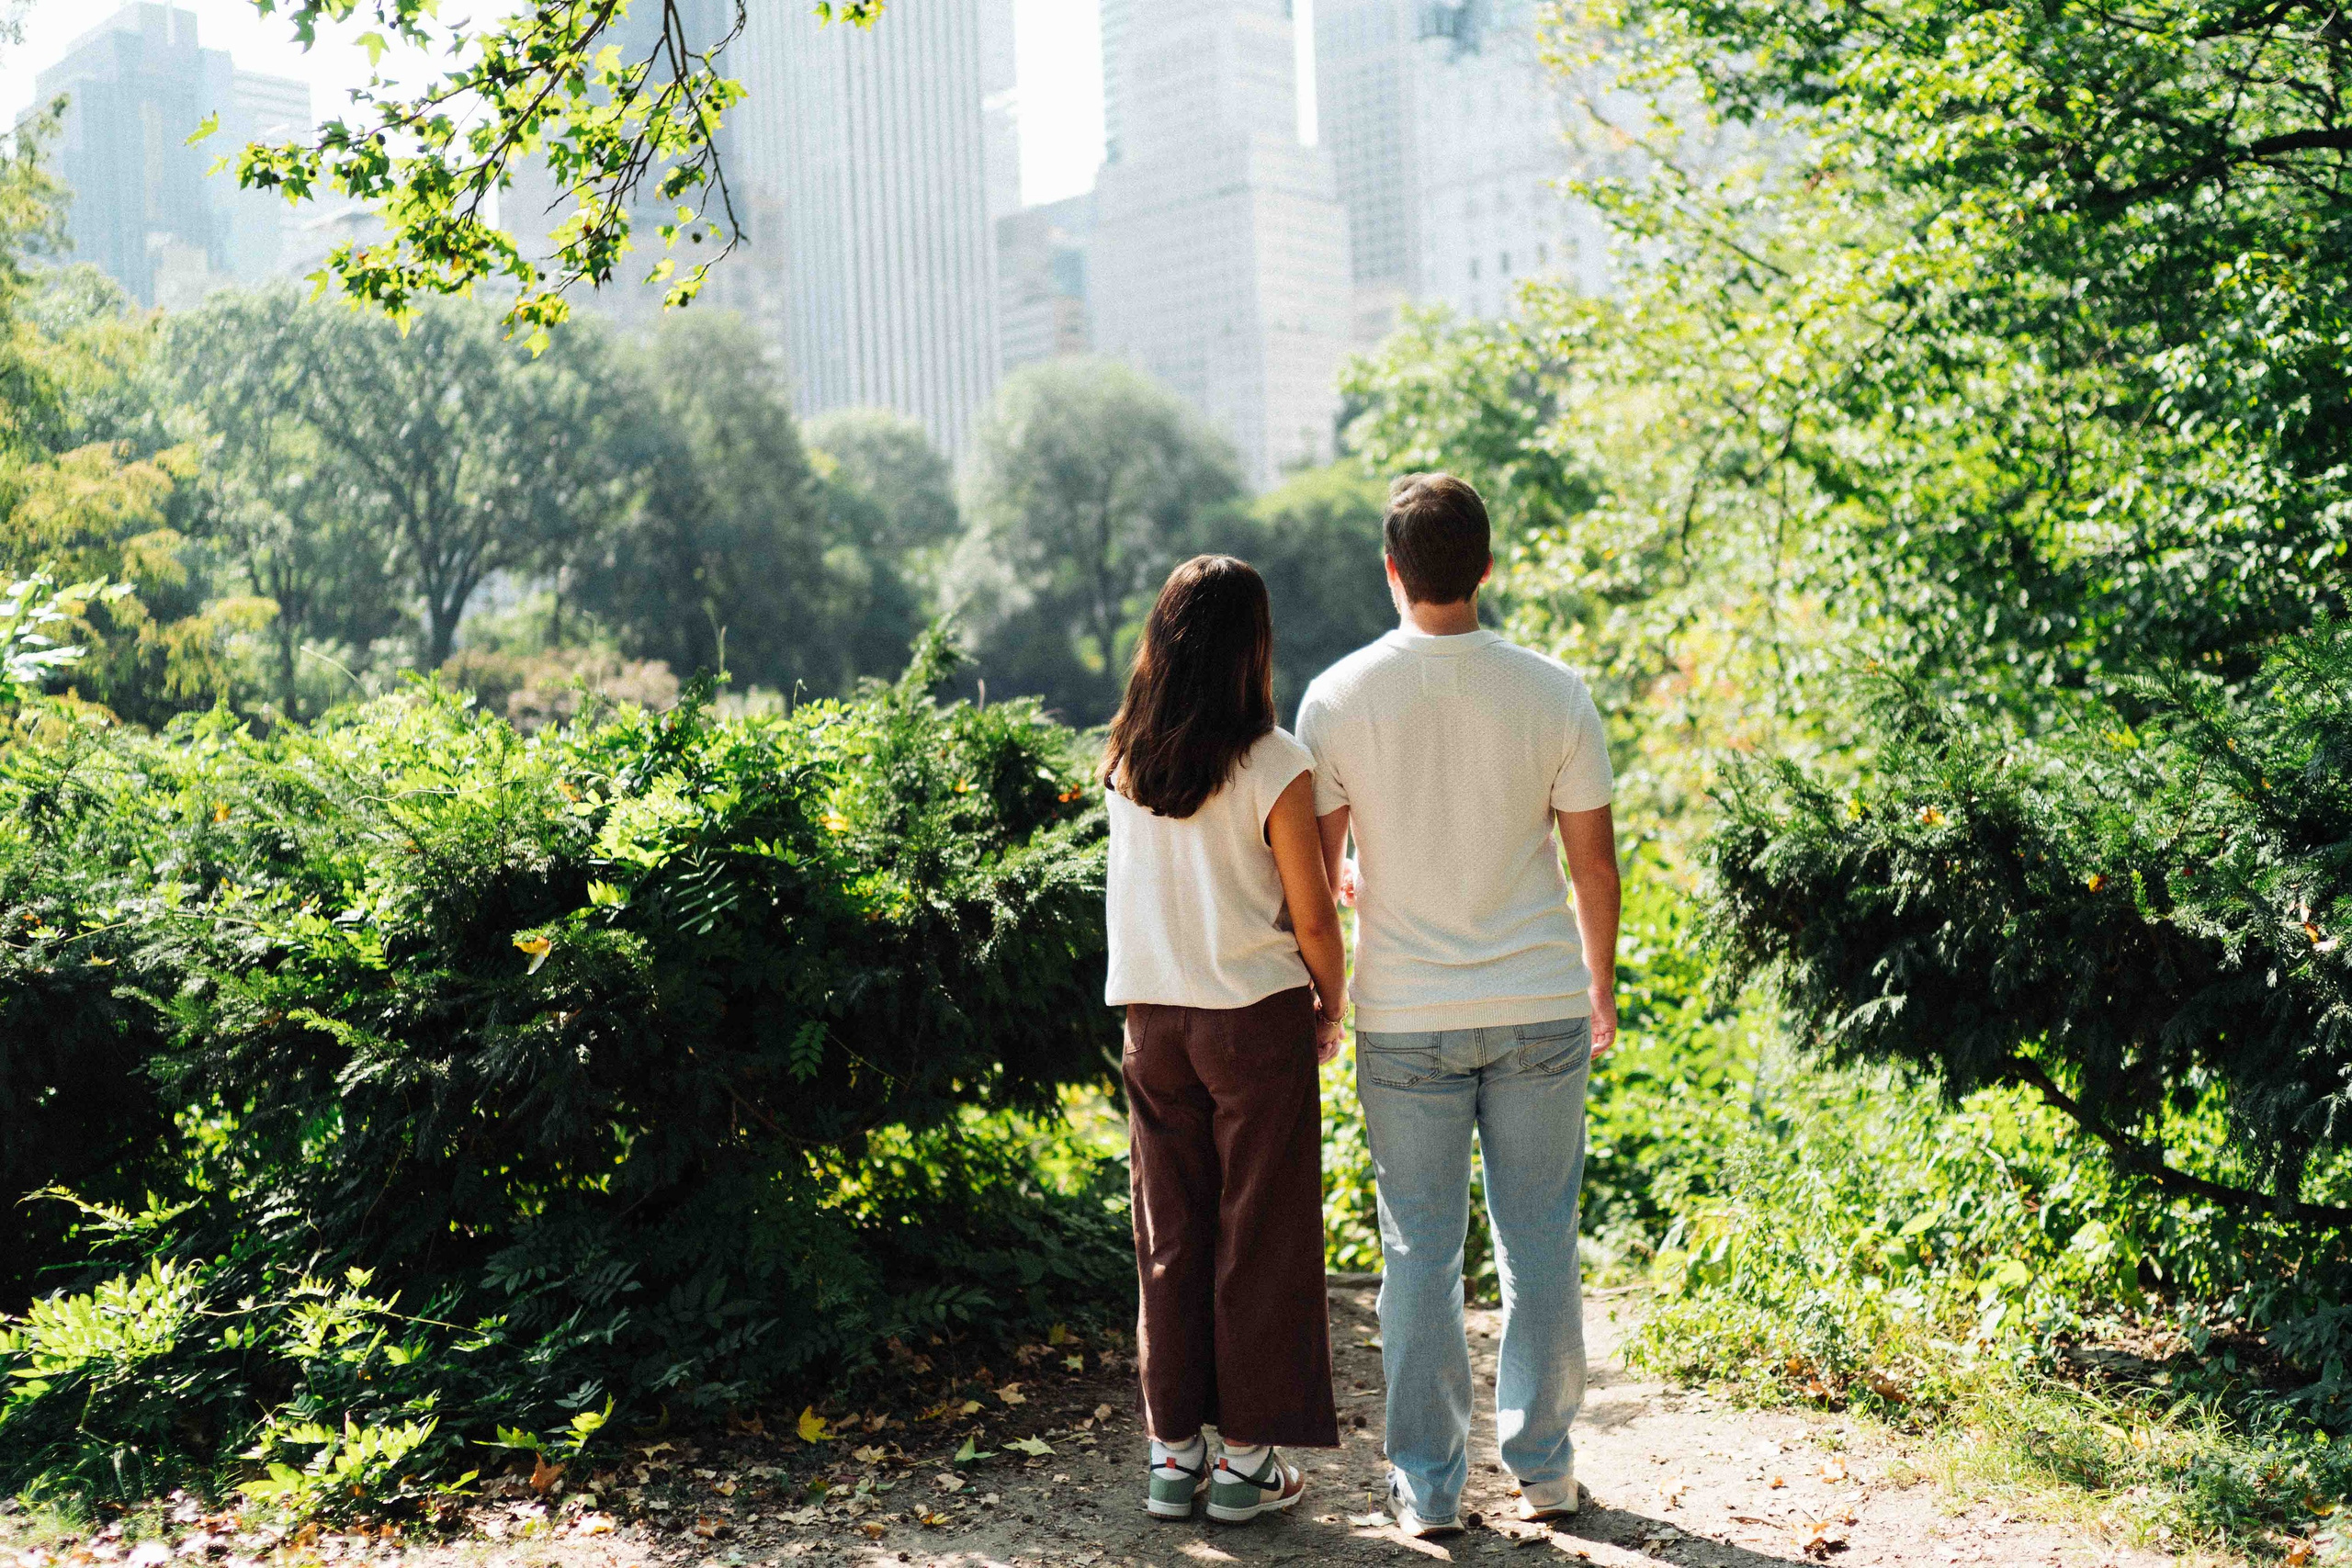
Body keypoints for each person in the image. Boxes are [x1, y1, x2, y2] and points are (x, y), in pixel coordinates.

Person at [1296, 473, 1620, 1540]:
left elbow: (1322, 872)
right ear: (1486, 565)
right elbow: (1594, 869)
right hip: (1537, 1005)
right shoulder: (1555, 691)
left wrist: (1331, 995)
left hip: (1405, 1019)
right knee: (1540, 1244)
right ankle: (1545, 1470)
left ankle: (1430, 1491)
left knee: (1417, 1258)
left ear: (1391, 571)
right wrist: (1600, 990)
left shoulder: (1338, 699)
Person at [1102, 554, 1349, 1525]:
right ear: (1254, 646)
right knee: (1261, 1234)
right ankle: (1247, 1466)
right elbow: (1315, 916)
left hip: (1151, 1025)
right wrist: (1333, 1003)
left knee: (1169, 1235)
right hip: (1251, 1019)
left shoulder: (1126, 759)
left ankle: (1173, 1459)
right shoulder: (1275, 762)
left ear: (1161, 642)